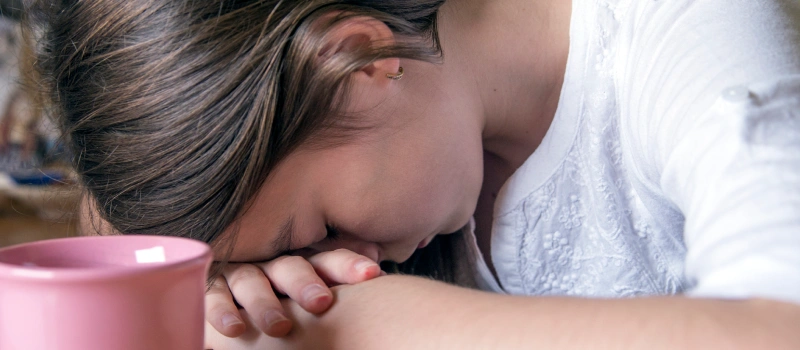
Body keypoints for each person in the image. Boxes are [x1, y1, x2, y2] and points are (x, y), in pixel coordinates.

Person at [32, 0, 800, 348]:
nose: (355, 264)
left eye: (320, 232)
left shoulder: (683, 35)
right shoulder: (437, 169)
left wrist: (364, 326)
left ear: (356, 62)